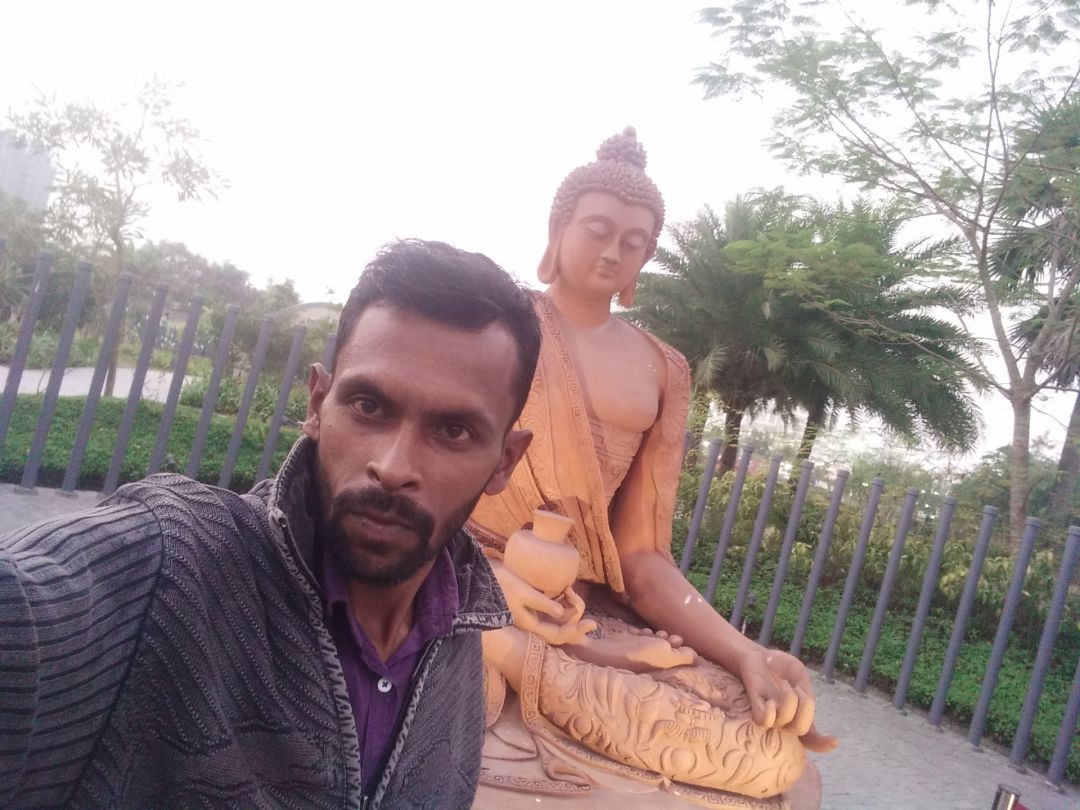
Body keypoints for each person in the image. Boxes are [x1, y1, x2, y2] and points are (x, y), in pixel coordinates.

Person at [0, 239, 541, 809]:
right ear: (317, 404)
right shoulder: (171, 567)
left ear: (505, 461)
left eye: (454, 431)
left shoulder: (460, 638)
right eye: (368, 406)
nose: (393, 466)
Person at [470, 129, 837, 801]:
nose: (613, 251)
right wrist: (481, 581)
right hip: (466, 571)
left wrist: (745, 654)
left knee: (770, 750)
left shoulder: (662, 368)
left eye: (633, 242)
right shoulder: (490, 321)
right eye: (597, 230)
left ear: (645, 257)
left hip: (579, 607)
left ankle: (542, 656)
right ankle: (498, 642)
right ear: (558, 228)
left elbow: (641, 558)